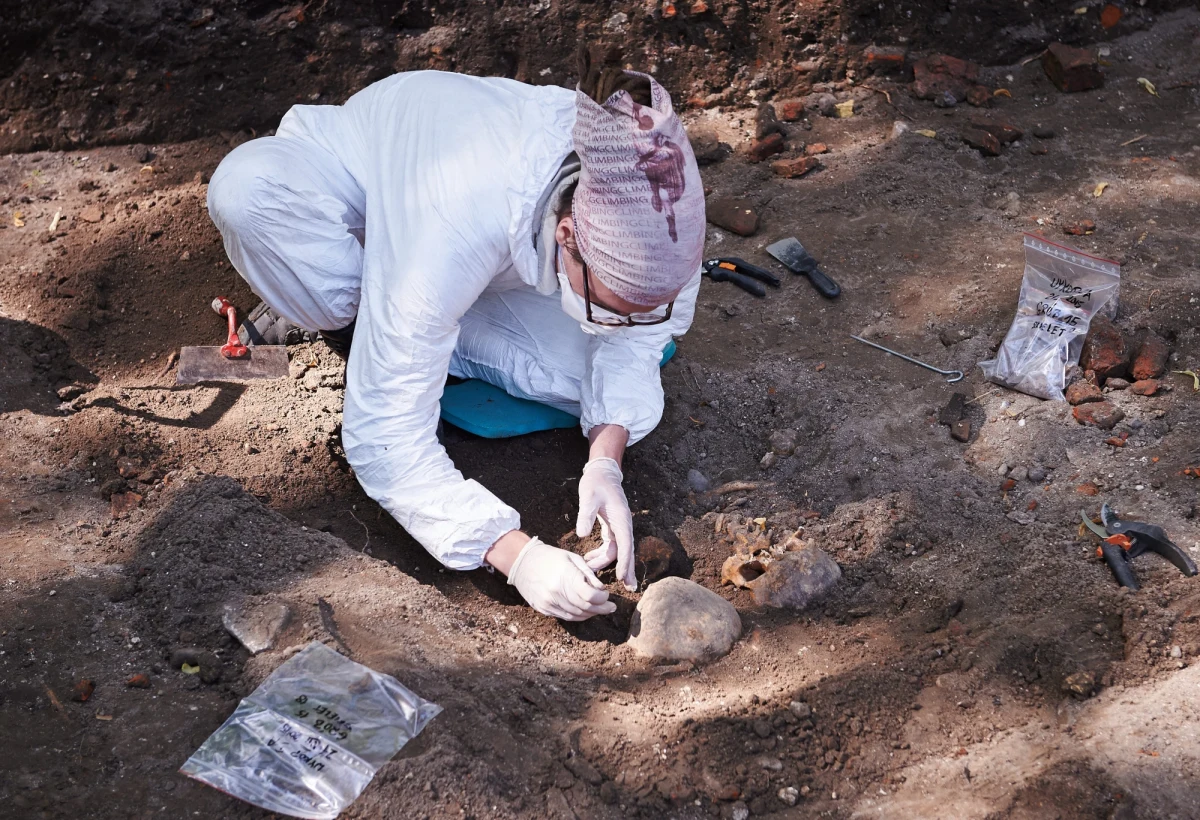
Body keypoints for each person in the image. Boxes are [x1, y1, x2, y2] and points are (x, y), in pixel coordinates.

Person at [205, 50, 705, 622]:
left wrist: (605, 461)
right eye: (613, 308)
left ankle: (420, 332)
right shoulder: (451, 227)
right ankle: (348, 312)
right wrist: (515, 556)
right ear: (568, 235)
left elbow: (639, 341)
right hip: (366, 206)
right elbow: (385, 440)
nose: (624, 322)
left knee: (573, 377)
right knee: (249, 194)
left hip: (496, 261)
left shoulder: (660, 213)